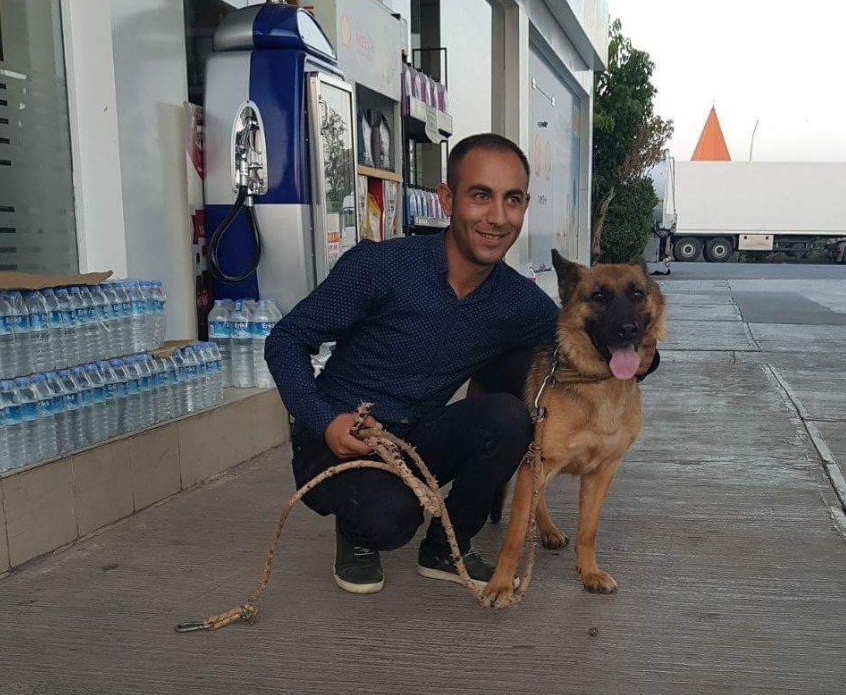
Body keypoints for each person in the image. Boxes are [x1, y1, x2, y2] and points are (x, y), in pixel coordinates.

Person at [265, 132, 651, 596]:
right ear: (447, 200)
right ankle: (356, 534)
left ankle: (446, 548)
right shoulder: (381, 266)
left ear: (524, 207)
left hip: (416, 433)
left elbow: (581, 337)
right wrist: (324, 421)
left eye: (511, 200)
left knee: (509, 418)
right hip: (338, 436)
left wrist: (640, 354)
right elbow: (285, 340)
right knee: (388, 516)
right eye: (480, 196)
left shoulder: (518, 302)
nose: (497, 217)